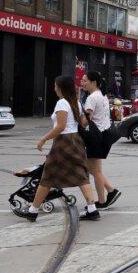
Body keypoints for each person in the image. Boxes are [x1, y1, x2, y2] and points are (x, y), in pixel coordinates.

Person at [15, 75, 101, 221]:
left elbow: (60, 126)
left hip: (63, 142)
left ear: (60, 87)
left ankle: (32, 211)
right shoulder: (75, 102)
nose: (54, 88)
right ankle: (92, 209)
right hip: (76, 141)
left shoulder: (62, 103)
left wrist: (44, 139)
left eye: (55, 85)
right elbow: (81, 122)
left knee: (47, 176)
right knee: (81, 175)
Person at [81, 71, 122, 210]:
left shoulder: (92, 98)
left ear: (93, 82)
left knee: (94, 170)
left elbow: (86, 120)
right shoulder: (102, 95)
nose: (82, 82)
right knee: (94, 169)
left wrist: (75, 126)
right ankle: (109, 193)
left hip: (96, 137)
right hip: (103, 134)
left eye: (85, 80)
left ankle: (104, 198)